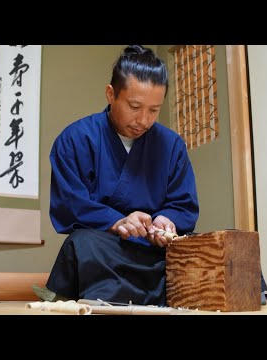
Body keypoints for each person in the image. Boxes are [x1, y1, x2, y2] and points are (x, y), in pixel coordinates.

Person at [45, 45, 199, 306]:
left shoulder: (171, 145)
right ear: (110, 94)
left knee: (217, 248)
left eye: (153, 110)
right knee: (82, 244)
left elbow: (183, 205)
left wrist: (166, 220)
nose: (143, 120)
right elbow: (70, 205)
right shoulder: (75, 139)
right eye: (135, 106)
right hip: (107, 250)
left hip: (157, 253)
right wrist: (117, 222)